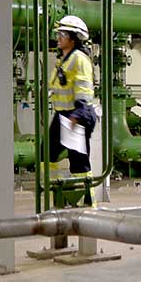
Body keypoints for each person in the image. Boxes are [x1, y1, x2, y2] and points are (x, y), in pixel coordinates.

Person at [48, 14, 97, 205]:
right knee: (48, 154)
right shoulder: (64, 59)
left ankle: (88, 200)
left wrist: (78, 115)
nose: (58, 37)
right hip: (62, 114)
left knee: (79, 161)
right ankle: (58, 194)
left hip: (75, 115)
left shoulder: (79, 59)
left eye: (62, 34)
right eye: (58, 33)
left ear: (73, 37)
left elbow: (84, 88)